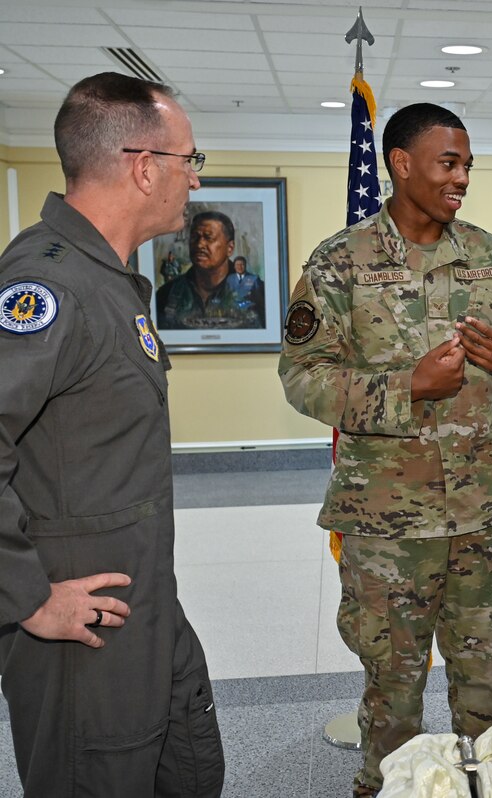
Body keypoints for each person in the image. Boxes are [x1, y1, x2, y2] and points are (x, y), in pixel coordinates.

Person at [278, 102, 492, 797]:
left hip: (484, 517)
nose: (462, 178)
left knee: (487, 693)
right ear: (401, 164)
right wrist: (410, 386)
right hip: (386, 526)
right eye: (448, 162)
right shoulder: (340, 263)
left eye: (467, 164)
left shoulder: (491, 259)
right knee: (393, 697)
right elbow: (303, 379)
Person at [0, 72, 223, 795]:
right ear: (144, 166)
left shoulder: (107, 279)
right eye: (190, 161)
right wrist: (28, 596)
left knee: (187, 768)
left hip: (144, 599)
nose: (194, 181)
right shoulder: (49, 285)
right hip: (80, 628)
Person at [157, 210, 264, 328]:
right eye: (195, 237)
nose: (199, 244)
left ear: (230, 248)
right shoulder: (167, 295)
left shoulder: (256, 292)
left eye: (209, 238)